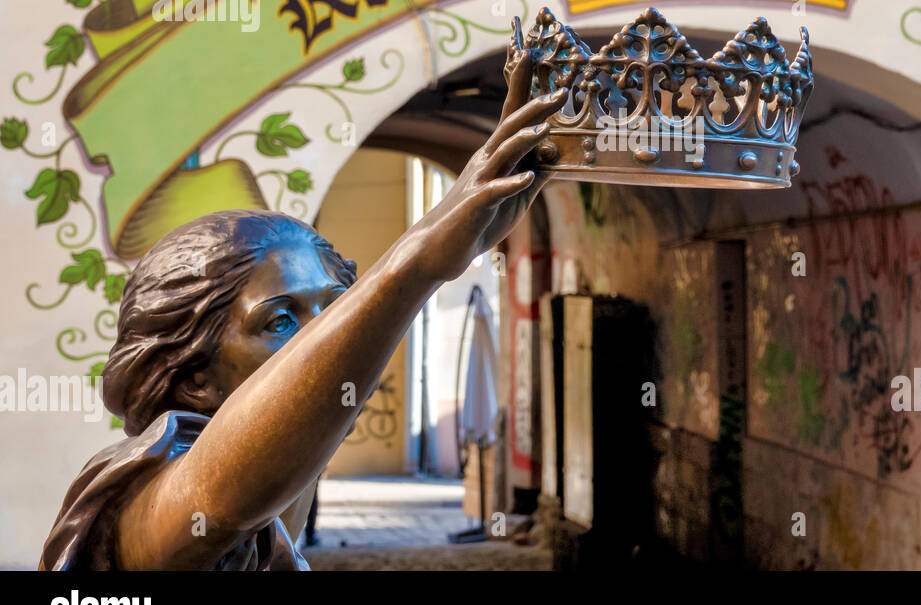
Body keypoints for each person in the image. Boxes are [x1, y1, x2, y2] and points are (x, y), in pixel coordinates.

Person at [39, 56, 562, 570]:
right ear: (196, 378)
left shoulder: (281, 482)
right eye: (280, 321)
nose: (328, 339)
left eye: (336, 308)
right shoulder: (145, 502)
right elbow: (220, 496)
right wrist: (416, 265)